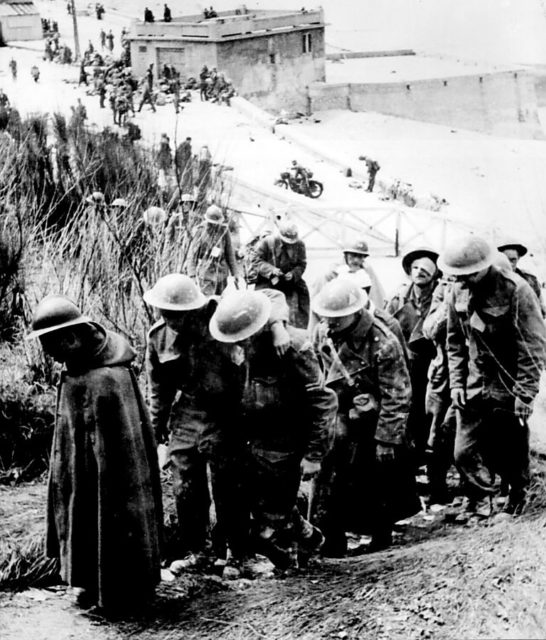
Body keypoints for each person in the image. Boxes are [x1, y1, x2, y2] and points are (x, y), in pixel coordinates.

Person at [144, 275, 291, 575]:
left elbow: (269, 298)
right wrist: (156, 433)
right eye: (164, 312)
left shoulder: (224, 311)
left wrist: (277, 326)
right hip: (187, 411)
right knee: (184, 483)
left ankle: (238, 553)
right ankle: (200, 551)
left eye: (176, 314)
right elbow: (158, 389)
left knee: (229, 482)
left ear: (194, 308)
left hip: (227, 410)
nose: (169, 319)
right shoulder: (158, 337)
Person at [27, 295, 162, 613]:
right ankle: (91, 582)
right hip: (84, 467)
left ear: (72, 338)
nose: (51, 355)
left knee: (110, 509)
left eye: (53, 346)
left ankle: (117, 590)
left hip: (111, 472)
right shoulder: (80, 366)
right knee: (87, 508)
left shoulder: (106, 377)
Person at [209, 289, 338, 572]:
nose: (241, 343)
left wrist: (315, 455)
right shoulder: (237, 344)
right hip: (254, 434)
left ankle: (298, 544)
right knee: (239, 492)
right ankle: (287, 541)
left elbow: (323, 401)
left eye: (245, 337)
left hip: (287, 437)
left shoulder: (293, 346)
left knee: (272, 514)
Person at [311, 278, 420, 557]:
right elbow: (316, 375)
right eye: (327, 317)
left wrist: (386, 440)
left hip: (375, 420)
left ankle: (380, 538)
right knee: (329, 474)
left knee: (377, 476)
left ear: (356, 313)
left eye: (337, 318)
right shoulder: (324, 333)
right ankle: (330, 540)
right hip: (339, 415)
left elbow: (398, 395)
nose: (329, 323)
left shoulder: (383, 342)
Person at [439, 235, 546, 518]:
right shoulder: (457, 290)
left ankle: (516, 499)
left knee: (511, 449)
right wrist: (457, 383)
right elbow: (454, 342)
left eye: (470, 274)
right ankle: (483, 498)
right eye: (459, 275)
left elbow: (533, 344)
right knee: (463, 451)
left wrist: (525, 393)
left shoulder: (515, 289)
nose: (464, 280)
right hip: (473, 384)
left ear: (485, 266)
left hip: (507, 384)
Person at [385, 247, 440, 463]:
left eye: (426, 269)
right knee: (407, 406)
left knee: (429, 409)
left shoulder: (440, 296)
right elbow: (386, 326)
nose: (419, 272)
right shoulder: (398, 297)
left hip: (433, 361)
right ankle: (409, 454)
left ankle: (427, 452)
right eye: (415, 268)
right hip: (405, 361)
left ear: (435, 273)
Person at [252, 221, 310, 328]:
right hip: (269, 281)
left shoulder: (300, 244)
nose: (290, 245)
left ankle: (299, 330)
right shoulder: (267, 242)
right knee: (262, 308)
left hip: (290, 283)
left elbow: (302, 264)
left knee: (301, 301)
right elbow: (255, 261)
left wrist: (293, 274)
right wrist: (271, 270)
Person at [186, 205, 242, 295]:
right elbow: (192, 255)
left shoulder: (224, 230)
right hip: (206, 274)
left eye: (217, 223)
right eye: (212, 223)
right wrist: (192, 275)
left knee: (218, 301)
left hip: (221, 275)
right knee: (208, 301)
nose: (215, 225)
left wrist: (235, 273)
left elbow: (230, 253)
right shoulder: (200, 231)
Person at [497, 239, 545, 316]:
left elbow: (541, 309)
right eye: (506, 259)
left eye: (513, 260)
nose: (509, 264)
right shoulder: (493, 280)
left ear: (518, 258)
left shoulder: (530, 280)